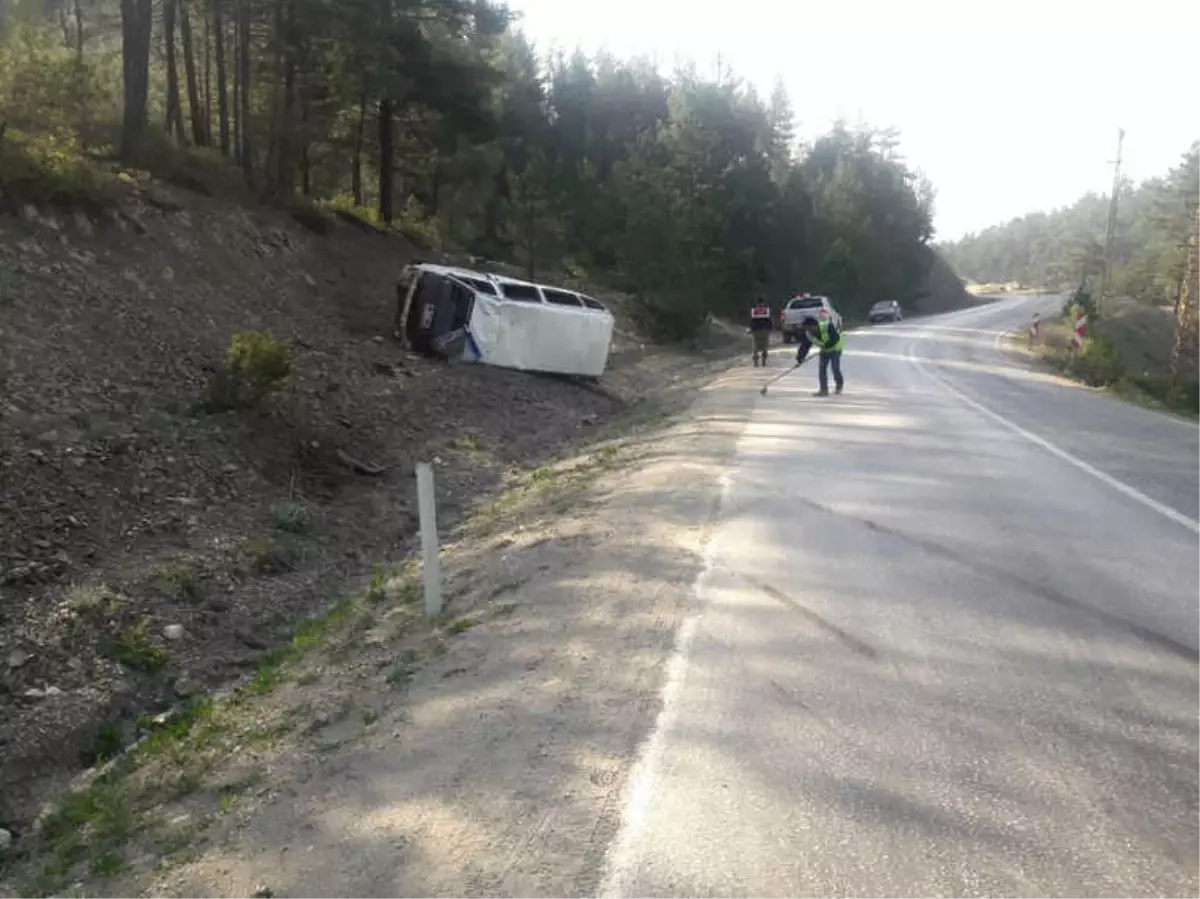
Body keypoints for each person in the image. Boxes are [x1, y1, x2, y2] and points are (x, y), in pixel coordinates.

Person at [795, 314, 845, 396]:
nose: (808, 330)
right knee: (822, 369)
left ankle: (839, 385)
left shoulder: (826, 325)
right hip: (824, 350)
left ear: (814, 325)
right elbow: (805, 346)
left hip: (836, 348)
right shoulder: (809, 334)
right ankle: (824, 390)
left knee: (835, 367)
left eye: (809, 328)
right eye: (806, 328)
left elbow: (835, 338)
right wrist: (800, 358)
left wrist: (826, 346)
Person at [748, 296, 773, 367]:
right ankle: (764, 362)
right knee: (765, 346)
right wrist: (771, 329)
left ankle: (756, 362)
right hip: (765, 330)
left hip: (756, 331)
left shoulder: (754, 310)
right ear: (763, 303)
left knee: (755, 346)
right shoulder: (766, 310)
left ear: (757, 303)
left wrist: (751, 329)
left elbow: (752, 321)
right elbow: (769, 321)